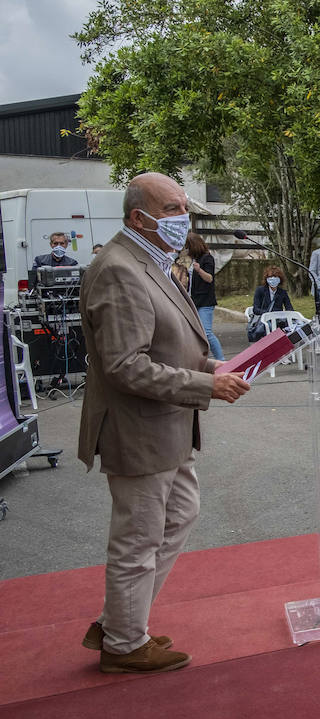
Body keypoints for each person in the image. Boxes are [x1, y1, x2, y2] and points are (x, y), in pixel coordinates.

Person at [78, 172, 251, 674]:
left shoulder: (152, 261)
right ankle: (125, 645)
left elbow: (172, 344)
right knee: (139, 537)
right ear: (140, 217)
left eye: (184, 207)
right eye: (174, 209)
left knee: (178, 516)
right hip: (139, 428)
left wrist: (213, 367)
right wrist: (205, 386)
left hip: (169, 425)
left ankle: (118, 623)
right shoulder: (118, 269)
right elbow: (125, 365)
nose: (185, 218)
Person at [184, 231, 223, 361]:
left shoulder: (207, 258)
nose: (187, 250)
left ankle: (221, 359)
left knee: (207, 332)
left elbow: (209, 278)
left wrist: (199, 270)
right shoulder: (193, 259)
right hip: (193, 300)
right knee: (194, 333)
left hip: (205, 301)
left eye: (188, 247)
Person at [247, 265, 293, 342]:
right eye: (271, 277)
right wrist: (268, 313)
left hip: (279, 321)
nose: (273, 279)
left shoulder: (282, 292)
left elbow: (290, 308)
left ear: (280, 279)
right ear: (267, 279)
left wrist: (285, 314)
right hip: (265, 320)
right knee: (269, 328)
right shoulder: (260, 290)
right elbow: (256, 309)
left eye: (276, 277)